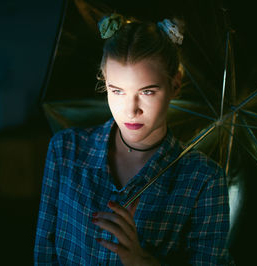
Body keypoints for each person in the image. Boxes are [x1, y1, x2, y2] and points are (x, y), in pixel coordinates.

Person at [34, 13, 231, 265]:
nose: (131, 110)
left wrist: (142, 261)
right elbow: (44, 255)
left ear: (176, 85)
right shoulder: (65, 150)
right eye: (117, 91)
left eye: (147, 91)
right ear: (104, 83)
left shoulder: (203, 179)